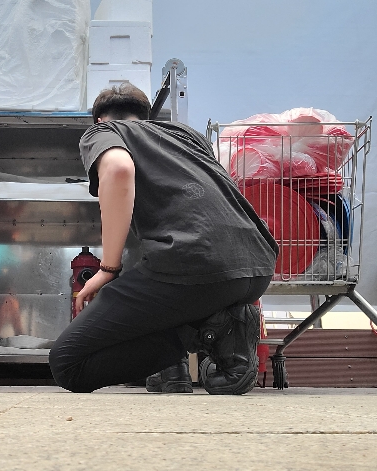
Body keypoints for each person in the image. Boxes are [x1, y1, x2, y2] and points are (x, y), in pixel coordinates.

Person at [48, 84, 278, 395]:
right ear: (146, 118)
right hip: (258, 262)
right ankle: (213, 330)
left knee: (67, 364)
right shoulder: (186, 134)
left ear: (100, 120)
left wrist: (108, 269)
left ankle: (211, 333)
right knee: (154, 294)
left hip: (198, 264)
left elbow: (118, 170)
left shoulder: (104, 132)